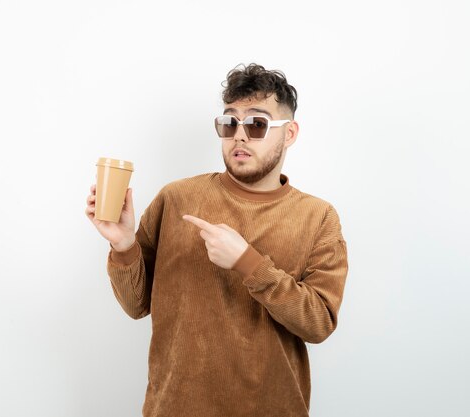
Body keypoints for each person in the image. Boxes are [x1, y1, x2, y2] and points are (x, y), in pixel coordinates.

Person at [85, 63, 349, 417]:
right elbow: (136, 306)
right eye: (229, 123)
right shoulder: (176, 198)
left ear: (289, 134)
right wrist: (123, 246)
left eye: (257, 124)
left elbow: (318, 324)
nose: (239, 136)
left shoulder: (318, 217)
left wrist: (248, 263)